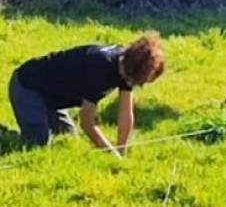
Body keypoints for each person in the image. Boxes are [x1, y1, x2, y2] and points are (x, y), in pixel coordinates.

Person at [8, 32, 165, 155]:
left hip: (55, 98)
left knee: (68, 138)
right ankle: (5, 135)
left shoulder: (125, 65)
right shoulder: (99, 69)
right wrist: (111, 153)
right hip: (29, 87)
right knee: (38, 143)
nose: (140, 85)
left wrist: (121, 151)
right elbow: (87, 123)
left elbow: (125, 114)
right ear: (132, 72)